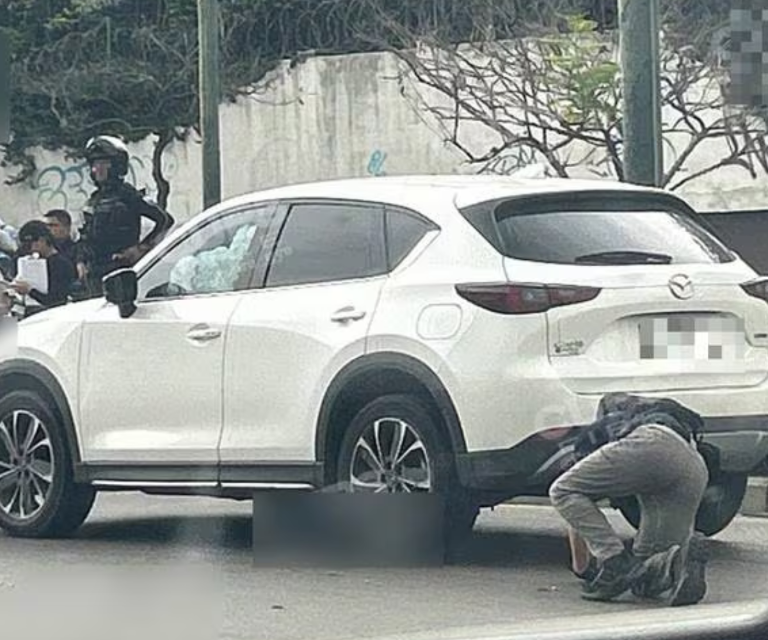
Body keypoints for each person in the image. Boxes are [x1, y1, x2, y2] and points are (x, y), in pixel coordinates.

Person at [549, 393, 712, 606]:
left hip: (652, 444)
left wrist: (584, 567)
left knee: (563, 491)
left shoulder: (596, 433)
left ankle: (614, 562)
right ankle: (677, 561)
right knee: (643, 576)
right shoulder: (662, 416)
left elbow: (576, 496)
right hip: (694, 463)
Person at [77, 135, 174, 296]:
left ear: (116, 165)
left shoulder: (128, 195)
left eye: (104, 163)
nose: (97, 169)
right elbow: (84, 235)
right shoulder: (94, 199)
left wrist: (141, 248)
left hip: (120, 269)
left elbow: (164, 220)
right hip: (95, 273)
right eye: (95, 164)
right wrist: (80, 261)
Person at [9, 220, 76, 315]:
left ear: (42, 240)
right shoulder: (24, 259)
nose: (30, 249)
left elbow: (57, 300)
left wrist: (30, 291)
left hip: (50, 314)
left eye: (31, 244)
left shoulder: (61, 265)